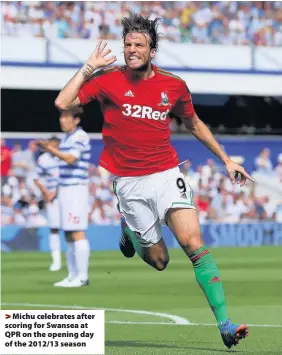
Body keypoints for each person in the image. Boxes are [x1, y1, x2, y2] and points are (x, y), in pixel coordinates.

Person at [54, 14, 253, 348]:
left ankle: (225, 325)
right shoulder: (106, 79)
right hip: (129, 183)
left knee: (193, 244)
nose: (132, 49)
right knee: (160, 261)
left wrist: (226, 158)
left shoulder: (173, 85)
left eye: (139, 45)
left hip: (166, 175)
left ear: (152, 50)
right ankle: (129, 232)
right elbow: (63, 102)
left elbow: (194, 123)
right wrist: (88, 66)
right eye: (128, 44)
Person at [36, 107, 91, 288]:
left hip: (76, 190)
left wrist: (50, 150)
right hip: (65, 190)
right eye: (61, 116)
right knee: (68, 234)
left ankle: (82, 277)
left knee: (77, 232)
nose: (62, 120)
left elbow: (70, 159)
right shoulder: (67, 138)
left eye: (66, 117)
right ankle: (72, 275)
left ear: (76, 120)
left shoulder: (80, 137)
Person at [34, 136, 61, 272]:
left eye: (54, 145)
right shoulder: (43, 159)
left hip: (66, 196)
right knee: (54, 228)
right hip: (52, 199)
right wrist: (46, 192)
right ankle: (56, 261)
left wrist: (56, 192)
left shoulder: (64, 157)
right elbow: (36, 178)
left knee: (72, 230)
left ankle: (74, 259)